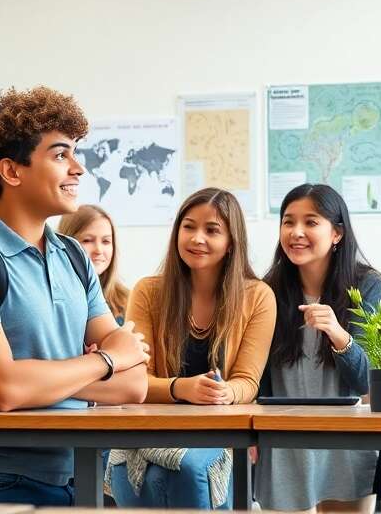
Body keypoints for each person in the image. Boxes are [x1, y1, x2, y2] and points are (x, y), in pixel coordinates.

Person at [0, 86, 148, 506]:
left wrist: (41, 382)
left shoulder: (73, 255)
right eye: (61, 154)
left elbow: (133, 384)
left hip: (80, 471)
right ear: (11, 171)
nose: (78, 168)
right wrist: (104, 361)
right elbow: (4, 389)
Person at [109, 188, 276, 510]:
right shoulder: (148, 291)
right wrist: (181, 388)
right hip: (151, 429)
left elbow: (247, 380)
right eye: (188, 227)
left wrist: (226, 392)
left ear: (231, 242)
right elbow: (134, 380)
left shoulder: (257, 296)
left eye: (212, 230)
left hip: (218, 431)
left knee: (188, 468)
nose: (197, 238)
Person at [256, 183, 381, 514]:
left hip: (348, 439)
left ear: (337, 233)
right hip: (284, 439)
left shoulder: (367, 284)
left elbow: (368, 380)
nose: (296, 232)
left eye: (311, 222)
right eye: (288, 221)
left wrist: (338, 334)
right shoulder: (265, 290)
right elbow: (257, 374)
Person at [58, 204, 130, 323]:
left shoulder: (129, 300)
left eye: (106, 241)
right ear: (66, 243)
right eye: (87, 240)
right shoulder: (55, 302)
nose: (99, 250)